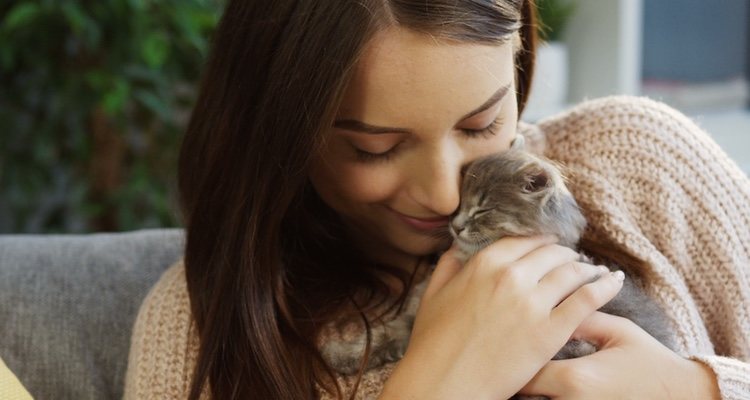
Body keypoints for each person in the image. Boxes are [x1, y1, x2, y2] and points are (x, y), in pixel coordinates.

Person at [123, 0, 750, 399]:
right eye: (376, 148)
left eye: (480, 123)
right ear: (283, 131)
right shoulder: (199, 327)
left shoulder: (641, 163)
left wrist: (691, 388)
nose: (447, 195)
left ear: (520, 58)